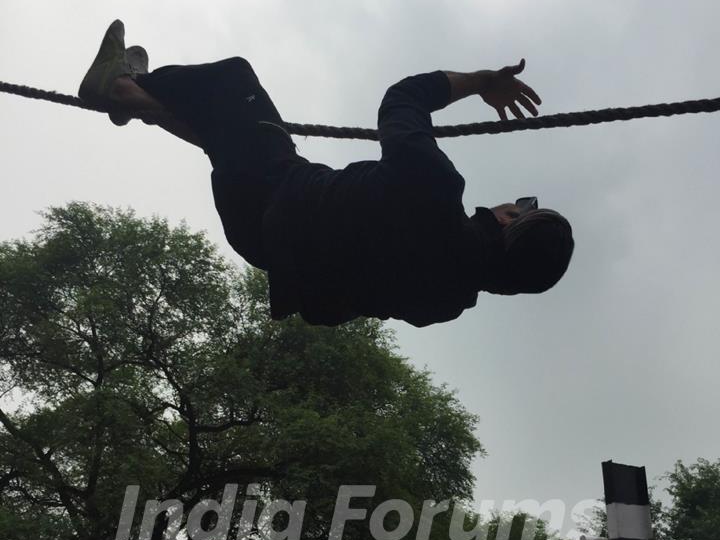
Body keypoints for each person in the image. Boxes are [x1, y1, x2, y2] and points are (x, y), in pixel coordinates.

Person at [77, 22, 574, 330]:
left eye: (522, 207)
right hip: (265, 244)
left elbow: (403, 99)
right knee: (232, 136)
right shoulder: (445, 302)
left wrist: (481, 82)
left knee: (234, 79)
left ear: (510, 221)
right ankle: (140, 102)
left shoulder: (434, 189)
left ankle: (123, 84)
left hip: (275, 194)